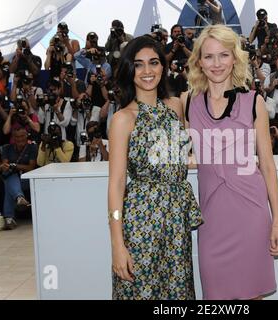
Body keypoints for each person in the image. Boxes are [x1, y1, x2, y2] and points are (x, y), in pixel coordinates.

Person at [185, 24, 278, 300]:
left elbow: (267, 165)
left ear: (235, 58)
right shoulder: (187, 103)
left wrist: (277, 222)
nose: (216, 64)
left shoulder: (254, 102)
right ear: (199, 62)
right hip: (211, 218)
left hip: (251, 213)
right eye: (208, 56)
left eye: (223, 55)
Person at [109, 36, 202, 300]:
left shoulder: (175, 107)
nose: (147, 71)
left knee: (177, 295)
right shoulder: (122, 119)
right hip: (140, 220)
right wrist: (117, 243)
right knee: (140, 292)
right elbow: (116, 185)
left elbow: (177, 158)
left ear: (163, 66)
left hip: (175, 220)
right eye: (138, 65)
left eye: (153, 63)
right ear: (130, 70)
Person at [0, 127, 37, 230]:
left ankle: (9, 218)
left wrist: (14, 166)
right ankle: (19, 198)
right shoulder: (7, 148)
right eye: (16, 136)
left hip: (27, 179)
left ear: (26, 136)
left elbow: (31, 167)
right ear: (13, 138)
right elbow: (5, 164)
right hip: (12, 178)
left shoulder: (32, 147)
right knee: (10, 176)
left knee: (9, 183)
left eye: (22, 136)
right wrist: (5, 166)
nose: (19, 139)